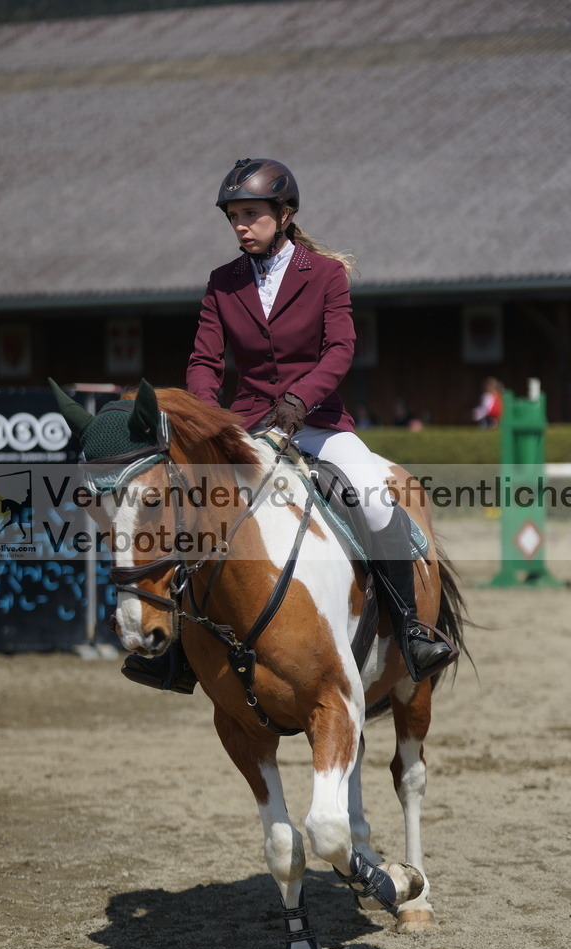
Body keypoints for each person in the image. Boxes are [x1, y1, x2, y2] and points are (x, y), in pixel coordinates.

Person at [123, 158, 453, 692]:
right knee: (196, 510)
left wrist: (301, 398)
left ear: (284, 213)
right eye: (233, 217)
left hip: (319, 422)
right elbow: (205, 362)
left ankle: (413, 629)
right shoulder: (222, 283)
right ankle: (180, 652)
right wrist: (208, 423)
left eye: (250, 214)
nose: (240, 226)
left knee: (373, 495)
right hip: (247, 428)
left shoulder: (324, 275)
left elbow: (341, 348)